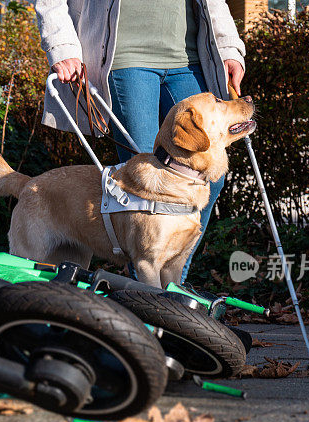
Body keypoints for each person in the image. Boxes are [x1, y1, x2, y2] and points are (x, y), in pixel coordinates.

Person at [34, 0, 246, 282]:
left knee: (209, 175)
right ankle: (151, 295)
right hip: (125, 58)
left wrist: (228, 46)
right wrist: (61, 44)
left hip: (190, 57)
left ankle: (171, 289)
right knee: (145, 183)